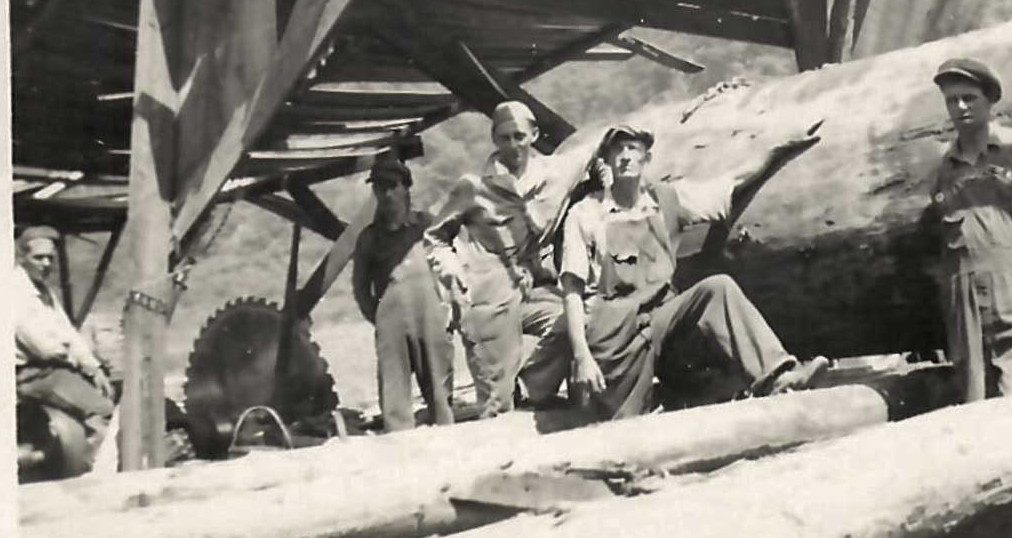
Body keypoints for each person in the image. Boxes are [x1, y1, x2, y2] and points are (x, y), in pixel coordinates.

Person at [558, 122, 832, 421]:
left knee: (718, 288)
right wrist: (582, 357)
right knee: (622, 425)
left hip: (662, 320)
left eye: (632, 148)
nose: (625, 156)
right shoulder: (584, 214)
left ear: (646, 158)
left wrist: (778, 151)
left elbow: (733, 182)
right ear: (607, 160)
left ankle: (778, 377)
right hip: (615, 338)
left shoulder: (667, 200)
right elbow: (572, 292)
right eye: (617, 150)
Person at [423, 101, 581, 417]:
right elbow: (434, 237)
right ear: (494, 139)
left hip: (532, 288)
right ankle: (507, 400)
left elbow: (594, 150)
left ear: (534, 135)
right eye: (505, 137)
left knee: (577, 321)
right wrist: (452, 271)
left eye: (519, 136)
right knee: (497, 405)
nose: (513, 145)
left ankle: (528, 387)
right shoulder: (474, 187)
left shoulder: (554, 174)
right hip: (488, 297)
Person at [926, 58, 1012, 402]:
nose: (960, 107)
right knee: (977, 404)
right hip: (965, 302)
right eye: (952, 100)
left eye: (969, 98)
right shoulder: (944, 169)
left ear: (990, 100)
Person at [351, 156, 456, 431]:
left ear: (406, 187)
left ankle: (449, 442)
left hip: (430, 316)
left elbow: (452, 264)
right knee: (394, 395)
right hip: (391, 322)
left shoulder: (427, 226)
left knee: (440, 390)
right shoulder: (369, 238)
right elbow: (360, 287)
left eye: (392, 186)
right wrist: (380, 318)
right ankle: (399, 445)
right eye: (379, 187)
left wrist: (448, 307)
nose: (386, 194)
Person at [14, 226, 115, 462]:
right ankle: (94, 465)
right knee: (102, 410)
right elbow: (45, 347)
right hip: (33, 373)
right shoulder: (14, 291)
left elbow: (69, 333)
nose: (46, 263)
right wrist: (74, 360)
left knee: (109, 395)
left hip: (54, 369)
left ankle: (80, 454)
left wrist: (94, 368)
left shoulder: (44, 291)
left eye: (50, 258)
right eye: (39, 257)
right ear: (22, 257)